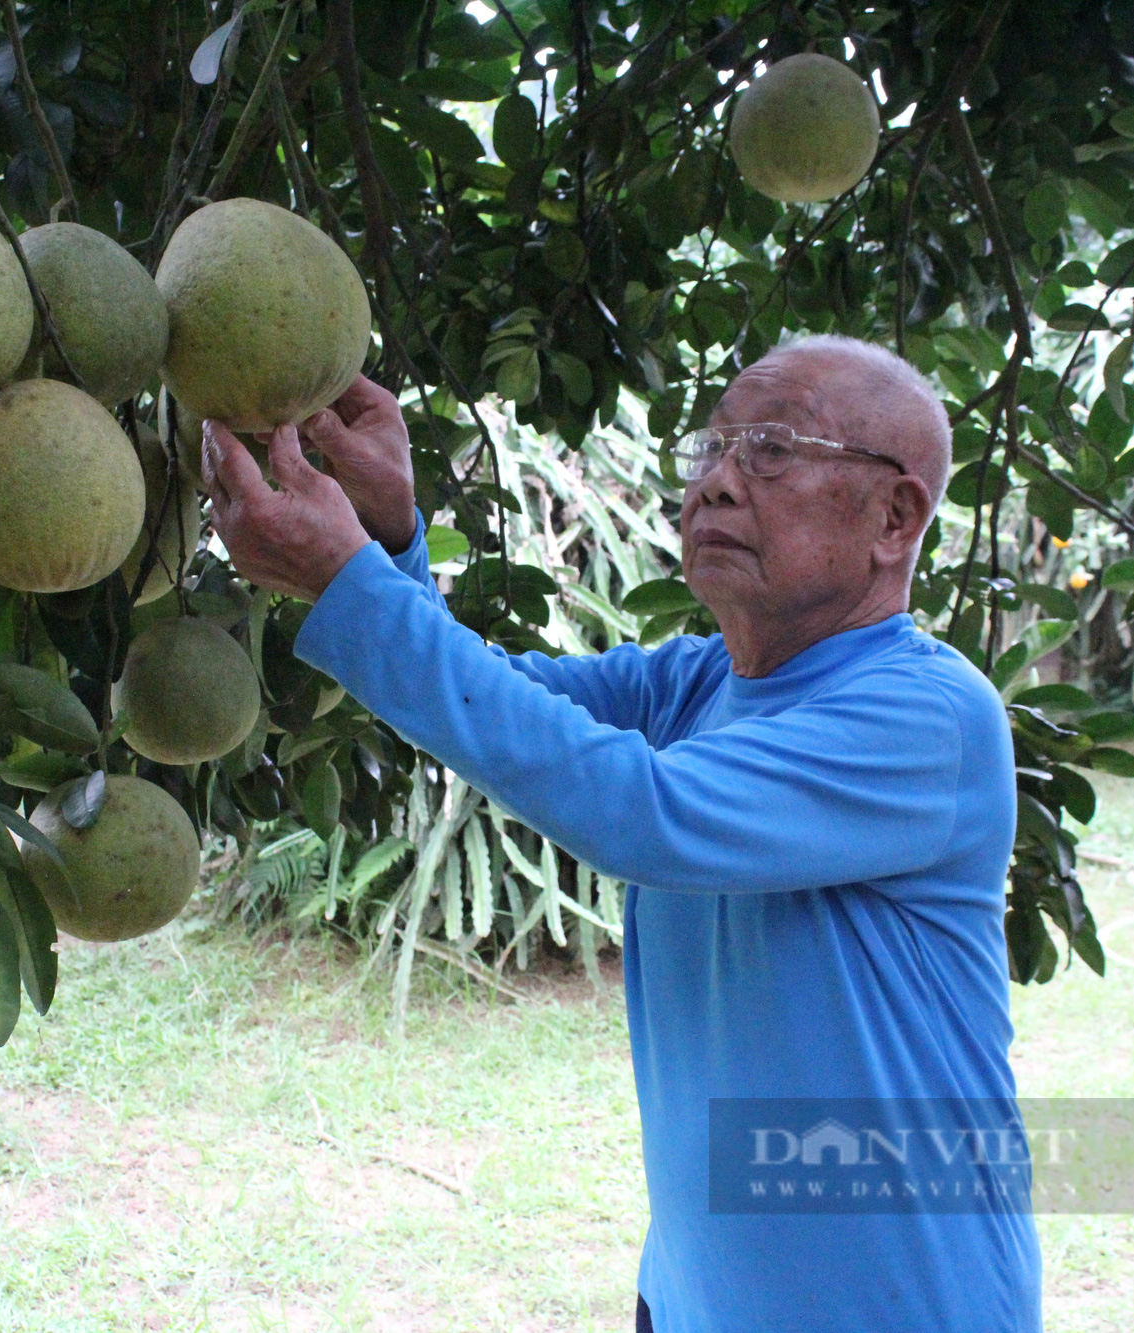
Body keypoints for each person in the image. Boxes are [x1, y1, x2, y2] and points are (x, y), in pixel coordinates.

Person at [200, 334, 1042, 1333]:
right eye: (712, 451)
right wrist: (386, 543)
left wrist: (350, 582)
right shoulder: (696, 682)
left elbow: (644, 813)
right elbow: (489, 708)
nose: (717, 484)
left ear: (893, 516)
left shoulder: (929, 716)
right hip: (694, 1295)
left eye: (769, 451)